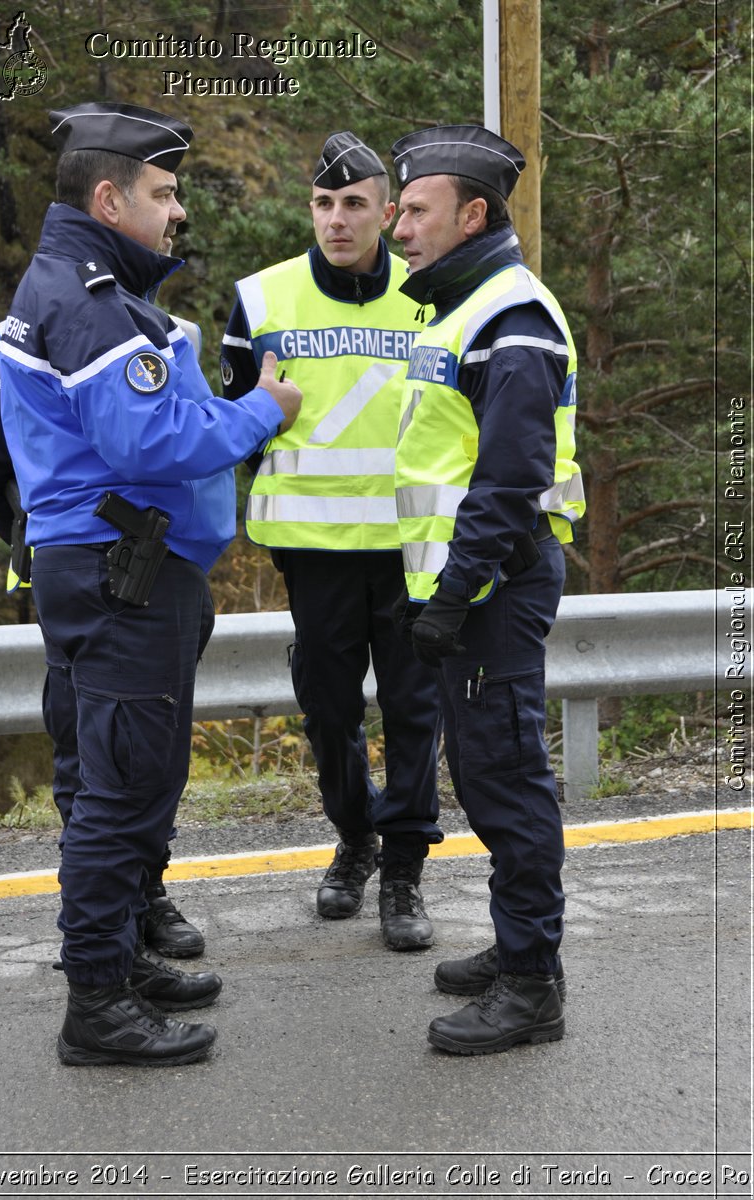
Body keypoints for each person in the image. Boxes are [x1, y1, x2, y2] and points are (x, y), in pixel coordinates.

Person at [0, 100, 301, 1067]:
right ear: (107, 196)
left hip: (122, 571)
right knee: (122, 793)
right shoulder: (87, 300)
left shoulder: (93, 294)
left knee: (128, 782)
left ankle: (121, 962)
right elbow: (150, 442)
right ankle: (96, 1005)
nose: (177, 211)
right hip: (123, 575)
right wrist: (262, 411)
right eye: (163, 193)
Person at [389, 124, 585, 1053]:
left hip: (493, 586)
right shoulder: (462, 310)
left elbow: (507, 483)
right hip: (474, 588)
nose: (397, 227)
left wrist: (451, 595)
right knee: (484, 770)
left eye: (414, 210)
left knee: (505, 778)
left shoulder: (510, 319)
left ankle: (532, 981)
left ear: (472, 214)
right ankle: (516, 948)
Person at [221, 132, 442, 950]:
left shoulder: (435, 296)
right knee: (328, 712)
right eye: (324, 204)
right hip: (311, 551)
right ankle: (356, 839)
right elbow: (234, 425)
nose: (337, 220)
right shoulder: (261, 299)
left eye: (355, 204)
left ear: (387, 212)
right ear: (309, 208)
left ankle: (406, 870)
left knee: (415, 711)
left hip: (411, 546)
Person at [0, 326, 207, 961]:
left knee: (147, 747)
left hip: (155, 570)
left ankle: (143, 892)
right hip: (81, 573)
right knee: (86, 748)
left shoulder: (163, 336)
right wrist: (47, 536)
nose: (173, 224)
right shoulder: (25, 340)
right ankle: (106, 920)